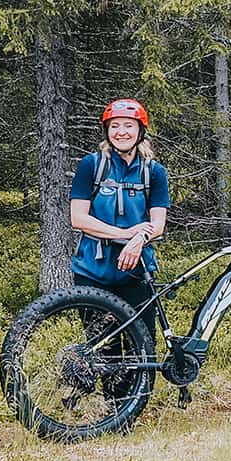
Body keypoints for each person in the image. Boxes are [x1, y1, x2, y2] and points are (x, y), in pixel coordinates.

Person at [68, 98, 171, 348]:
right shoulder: (92, 165)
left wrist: (138, 239)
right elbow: (78, 218)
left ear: (140, 131)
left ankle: (143, 389)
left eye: (128, 125)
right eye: (114, 126)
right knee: (105, 348)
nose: (121, 132)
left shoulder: (153, 172)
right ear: (107, 131)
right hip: (92, 270)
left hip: (136, 271)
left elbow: (158, 224)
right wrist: (124, 233)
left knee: (143, 346)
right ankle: (113, 389)